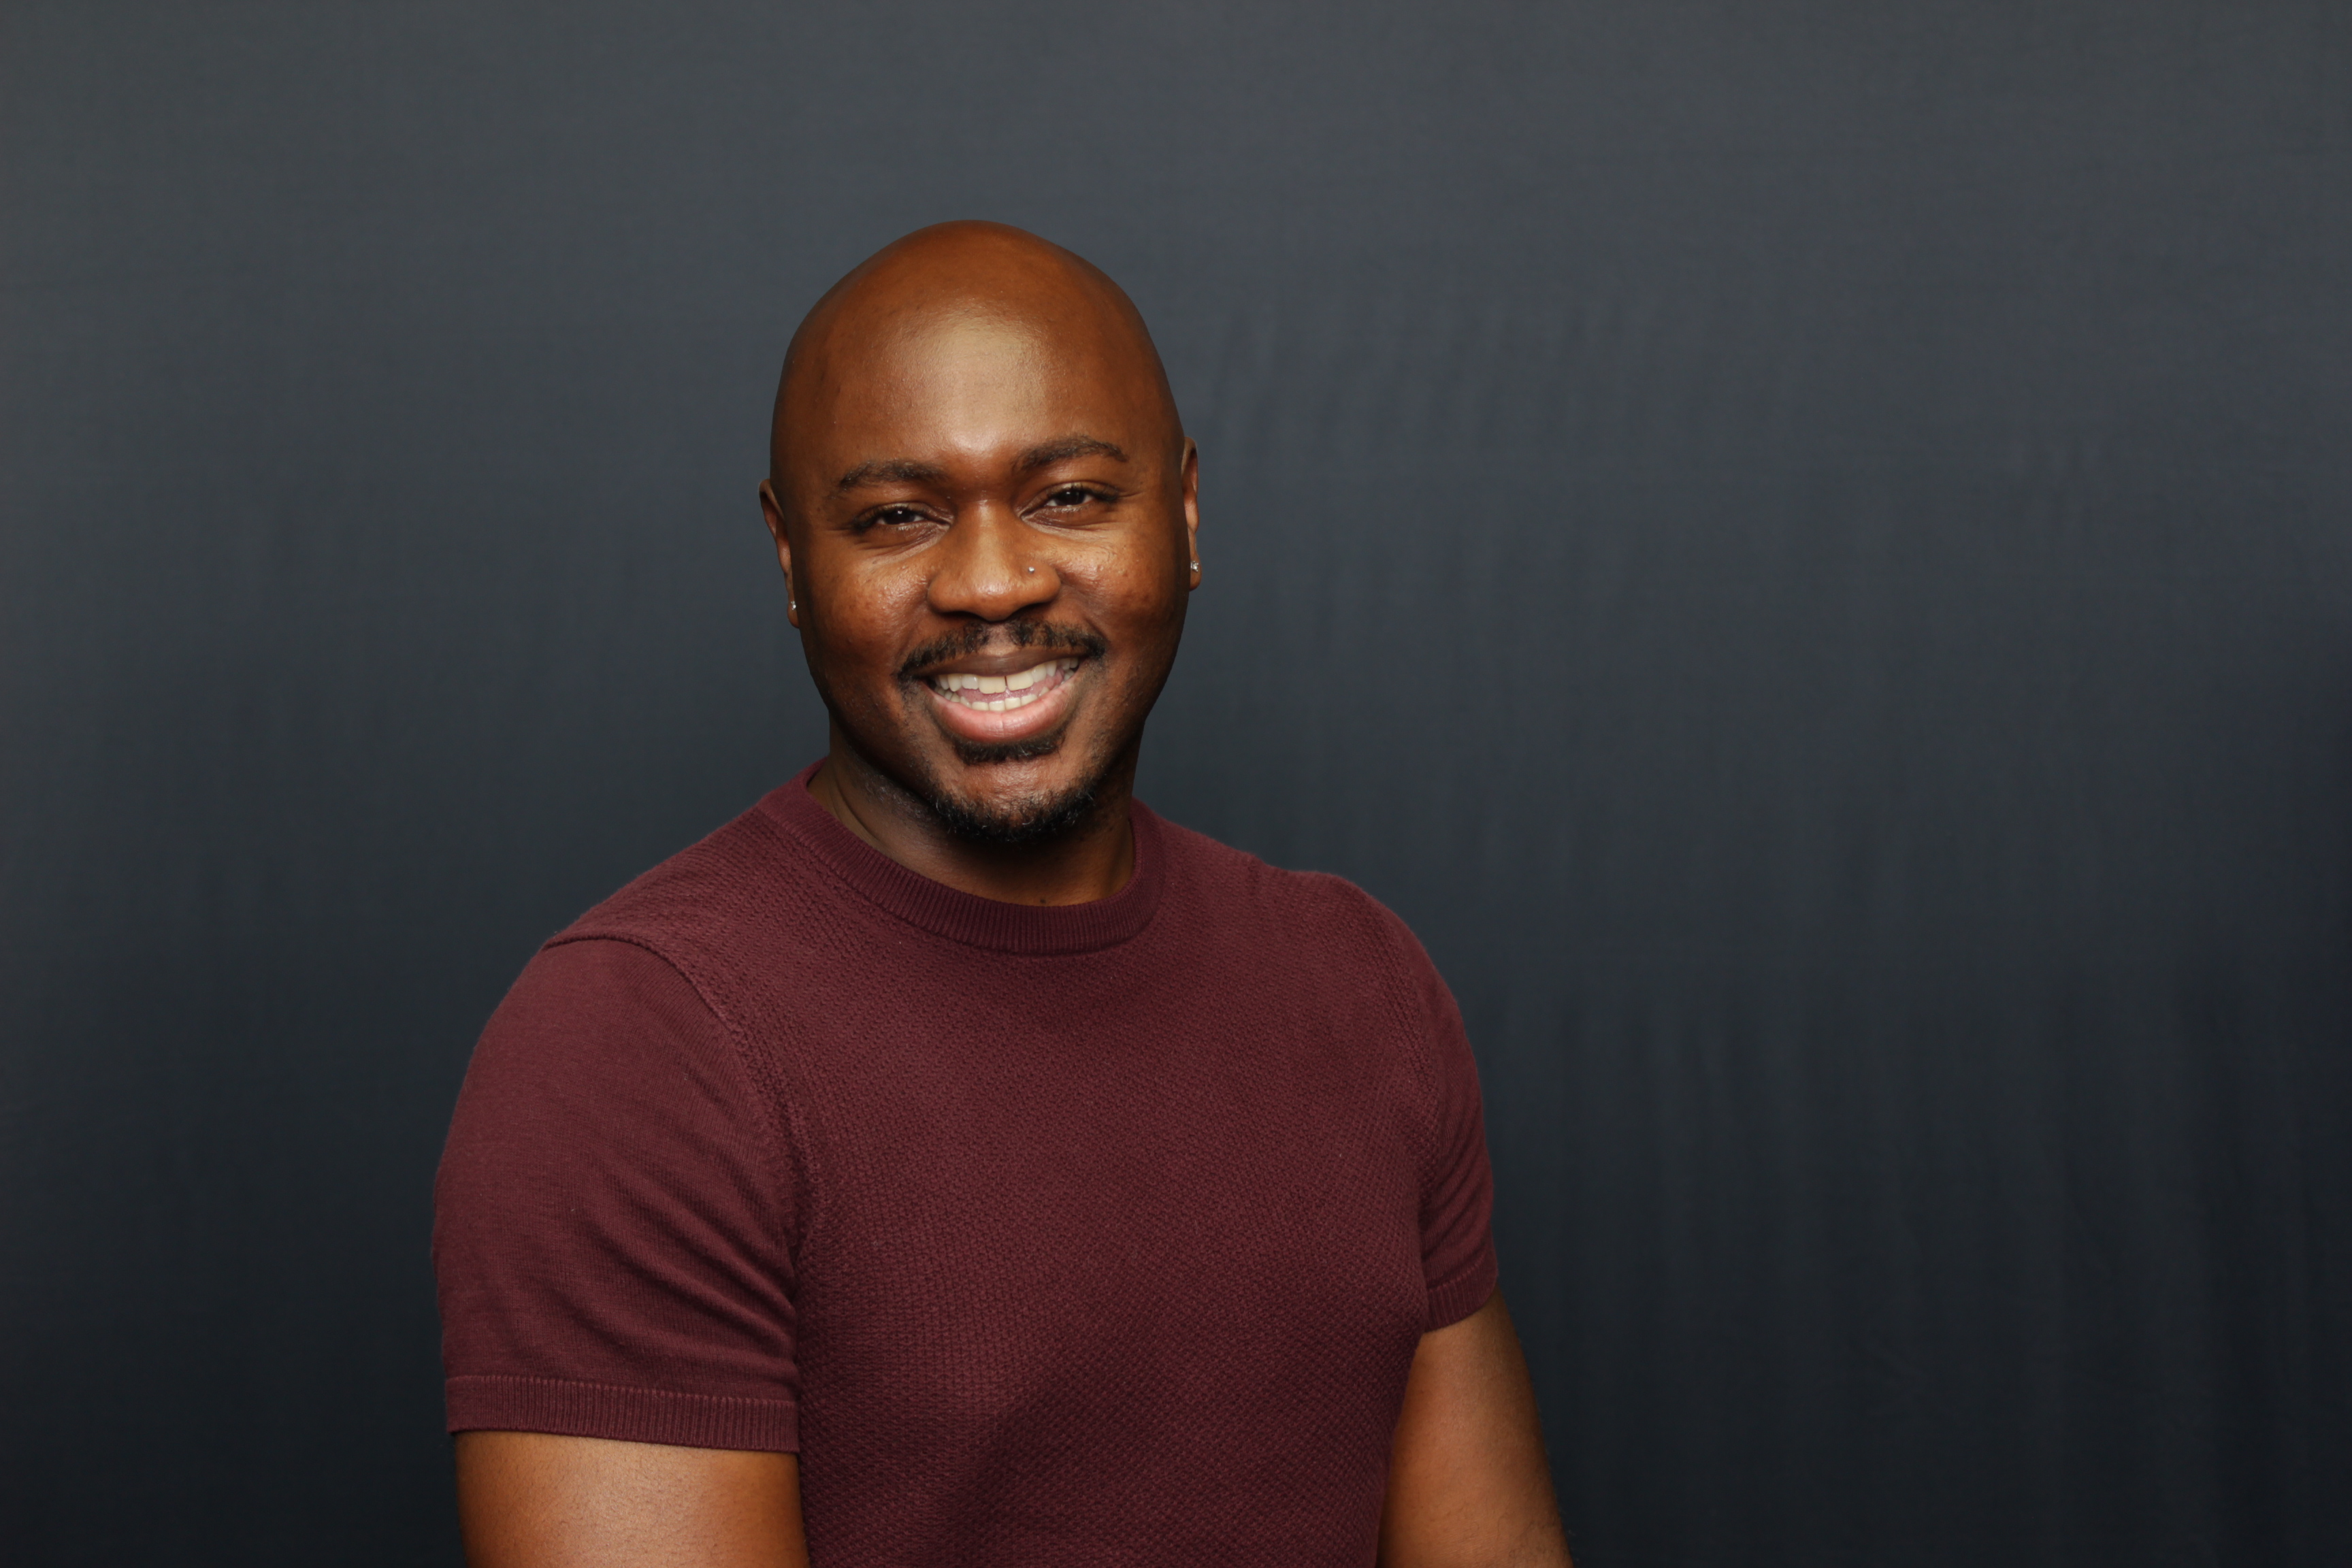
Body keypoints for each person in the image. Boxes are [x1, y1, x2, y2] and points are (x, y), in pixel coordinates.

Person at [434, 221, 1571, 1568]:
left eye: (1070, 497)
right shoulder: (639, 1046)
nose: (991, 583)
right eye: (898, 517)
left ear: (1185, 515)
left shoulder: (1359, 983)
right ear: (791, 559)